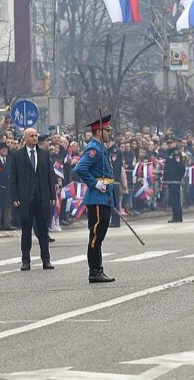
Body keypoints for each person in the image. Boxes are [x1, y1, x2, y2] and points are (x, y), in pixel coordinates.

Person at [75, 114, 116, 283]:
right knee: (95, 236)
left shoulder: (101, 147)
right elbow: (80, 168)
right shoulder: (94, 148)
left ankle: (98, 270)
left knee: (99, 236)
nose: (109, 133)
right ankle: (94, 271)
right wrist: (95, 184)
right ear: (99, 131)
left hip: (103, 197)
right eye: (107, 130)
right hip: (97, 198)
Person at [10, 128, 55, 271]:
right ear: (25, 138)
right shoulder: (17, 155)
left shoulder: (44, 154)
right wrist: (15, 197)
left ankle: (46, 260)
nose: (34, 138)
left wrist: (52, 196)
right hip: (25, 199)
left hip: (41, 198)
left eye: (36, 135)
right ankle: (26, 260)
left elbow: (50, 176)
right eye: (31, 136)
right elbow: (13, 178)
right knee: (26, 232)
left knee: (43, 232)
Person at [162, 137, 186, 223]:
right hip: (170, 179)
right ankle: (175, 215)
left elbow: (181, 167)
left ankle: (177, 216)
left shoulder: (176, 153)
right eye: (168, 143)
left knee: (175, 198)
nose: (169, 145)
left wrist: (178, 176)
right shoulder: (169, 153)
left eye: (171, 143)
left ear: (175, 143)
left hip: (175, 179)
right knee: (173, 198)